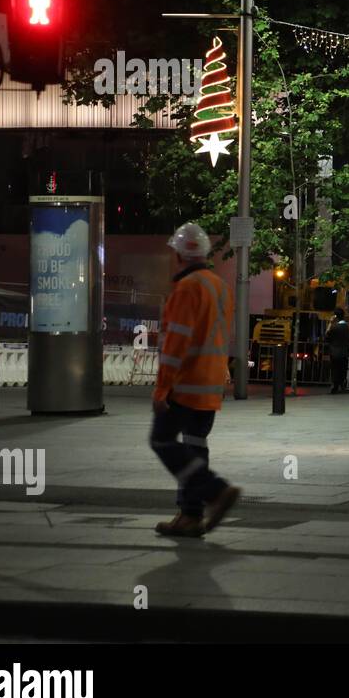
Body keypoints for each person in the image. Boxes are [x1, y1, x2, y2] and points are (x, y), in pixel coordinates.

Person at [149, 222, 240, 538]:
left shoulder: (187, 288)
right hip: (210, 384)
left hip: (184, 385)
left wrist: (162, 388)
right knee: (194, 446)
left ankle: (215, 490)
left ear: (180, 255)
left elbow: (177, 343)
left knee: (161, 440)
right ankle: (190, 516)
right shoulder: (220, 286)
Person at [326, 309, 349, 394]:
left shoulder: (334, 327)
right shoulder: (346, 327)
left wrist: (330, 323)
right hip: (344, 351)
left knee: (335, 369)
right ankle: (342, 385)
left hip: (334, 352)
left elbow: (327, 335)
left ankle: (335, 386)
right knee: (342, 369)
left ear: (335, 317)